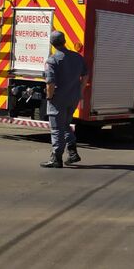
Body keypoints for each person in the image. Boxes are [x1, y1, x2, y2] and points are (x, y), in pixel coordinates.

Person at [40, 31, 88, 168]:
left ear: (52, 44)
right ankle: (72, 152)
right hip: (73, 97)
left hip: (58, 99)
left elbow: (50, 83)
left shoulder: (52, 60)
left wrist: (49, 97)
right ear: (65, 41)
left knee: (56, 128)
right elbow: (85, 75)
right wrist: (80, 90)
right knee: (65, 124)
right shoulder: (78, 57)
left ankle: (56, 158)